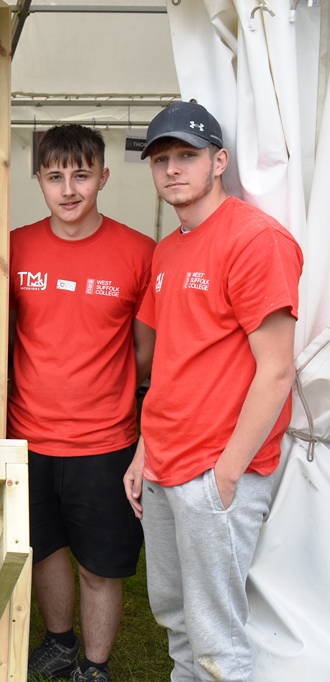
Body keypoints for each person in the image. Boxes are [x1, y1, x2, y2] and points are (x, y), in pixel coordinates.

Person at [124, 101, 303, 682]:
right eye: (161, 159)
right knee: (176, 621)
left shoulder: (255, 240)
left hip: (215, 471)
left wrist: (226, 475)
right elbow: (172, 362)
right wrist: (144, 454)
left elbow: (276, 370)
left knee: (217, 641)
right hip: (164, 465)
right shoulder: (169, 248)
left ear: (219, 160)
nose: (172, 169)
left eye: (186, 156)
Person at [10, 124, 155, 682]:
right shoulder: (16, 247)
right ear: (39, 181)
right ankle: (59, 641)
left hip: (105, 443)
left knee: (99, 566)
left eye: (81, 175)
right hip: (28, 437)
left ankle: (94, 666)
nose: (68, 189)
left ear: (104, 176)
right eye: (54, 176)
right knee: (44, 551)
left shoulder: (140, 252)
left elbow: (145, 356)